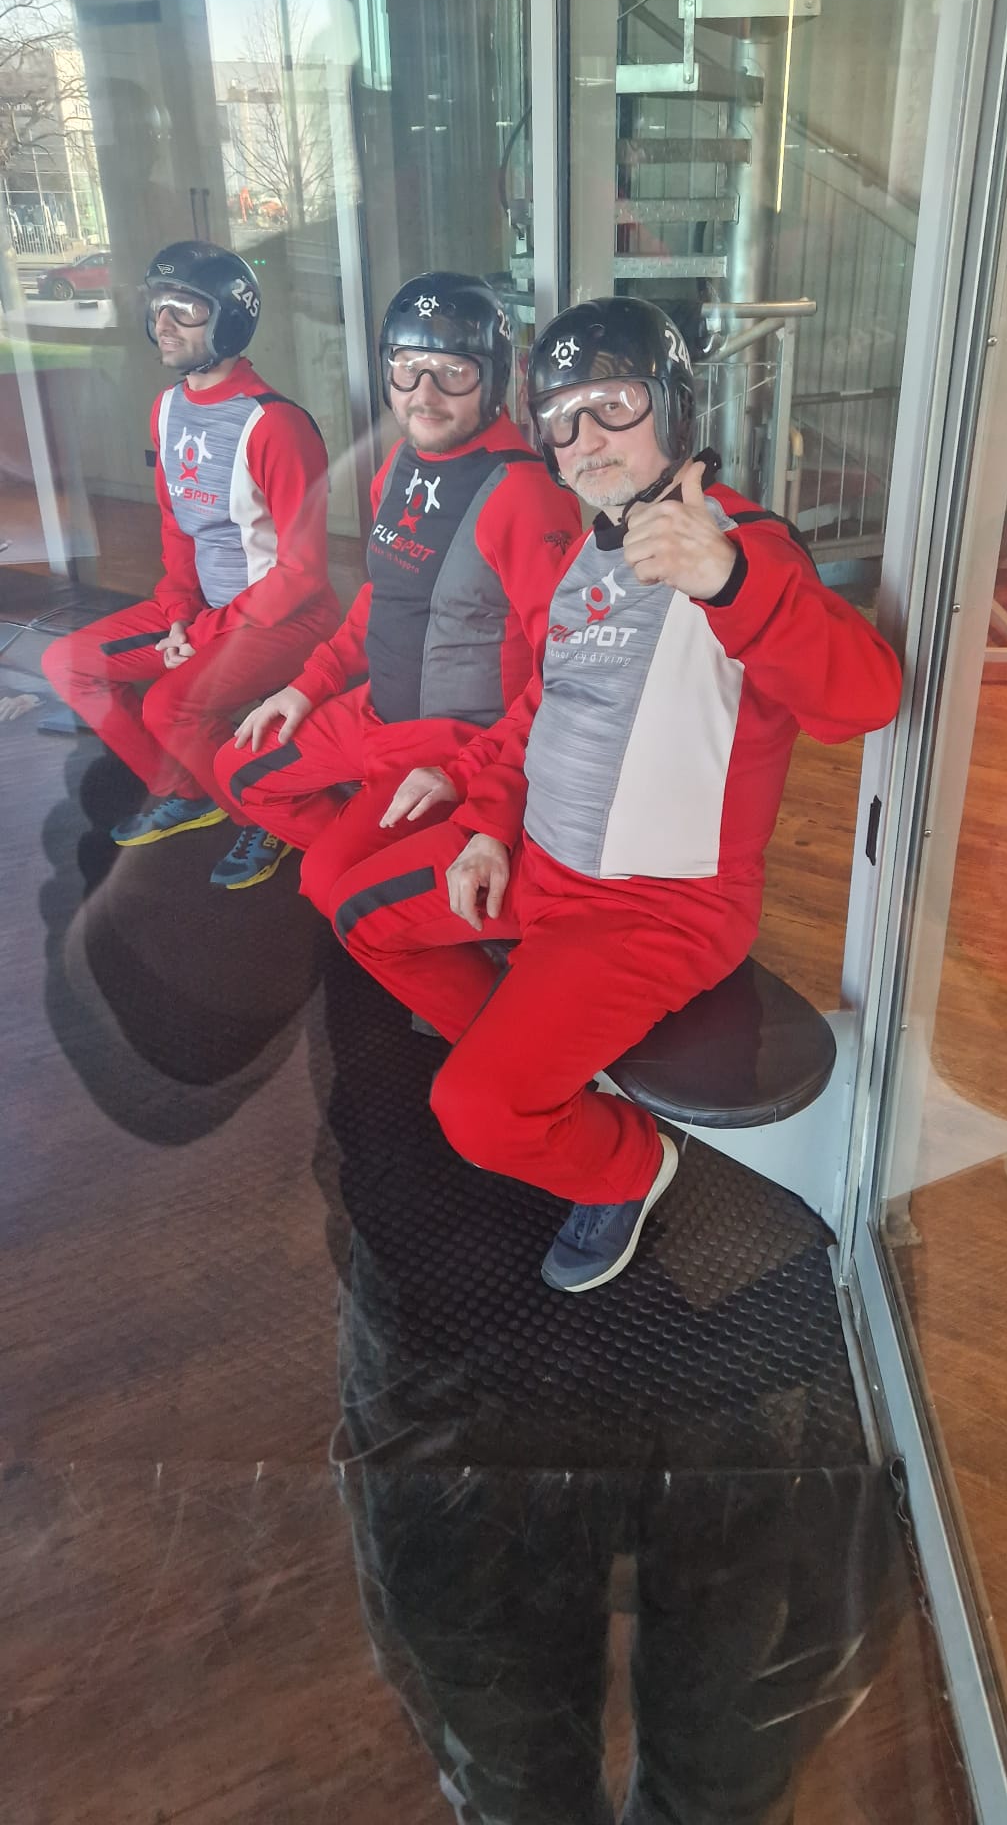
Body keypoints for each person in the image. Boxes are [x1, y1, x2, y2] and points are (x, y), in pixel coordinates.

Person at [319, 297, 903, 1295]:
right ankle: (548, 1064)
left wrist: (727, 582)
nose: (584, 435)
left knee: (476, 1111)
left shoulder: (743, 546)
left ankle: (629, 1164)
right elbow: (540, 711)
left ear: (670, 406)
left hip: (656, 911)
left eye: (613, 404)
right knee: (358, 913)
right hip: (540, 865)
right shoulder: (588, 551)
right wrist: (485, 825)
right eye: (561, 415)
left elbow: (866, 700)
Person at [212, 271, 580, 906]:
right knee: (238, 771)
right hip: (373, 715)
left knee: (326, 883)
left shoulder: (526, 494)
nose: (424, 395)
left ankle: (394, 884)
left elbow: (565, 668)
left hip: (454, 740)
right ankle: (386, 873)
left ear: (494, 378)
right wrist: (309, 684)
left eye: (453, 371)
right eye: (408, 368)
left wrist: (482, 779)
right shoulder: (400, 465)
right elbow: (380, 598)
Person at [41, 239, 338, 890]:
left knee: (170, 706)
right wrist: (180, 614)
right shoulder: (168, 408)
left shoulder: (275, 425)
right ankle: (187, 790)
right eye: (158, 306)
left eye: (187, 308)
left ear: (229, 319)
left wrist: (200, 634)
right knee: (69, 664)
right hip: (204, 612)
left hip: (285, 618)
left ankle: (267, 816)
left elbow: (303, 572)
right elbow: (177, 528)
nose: (165, 323)